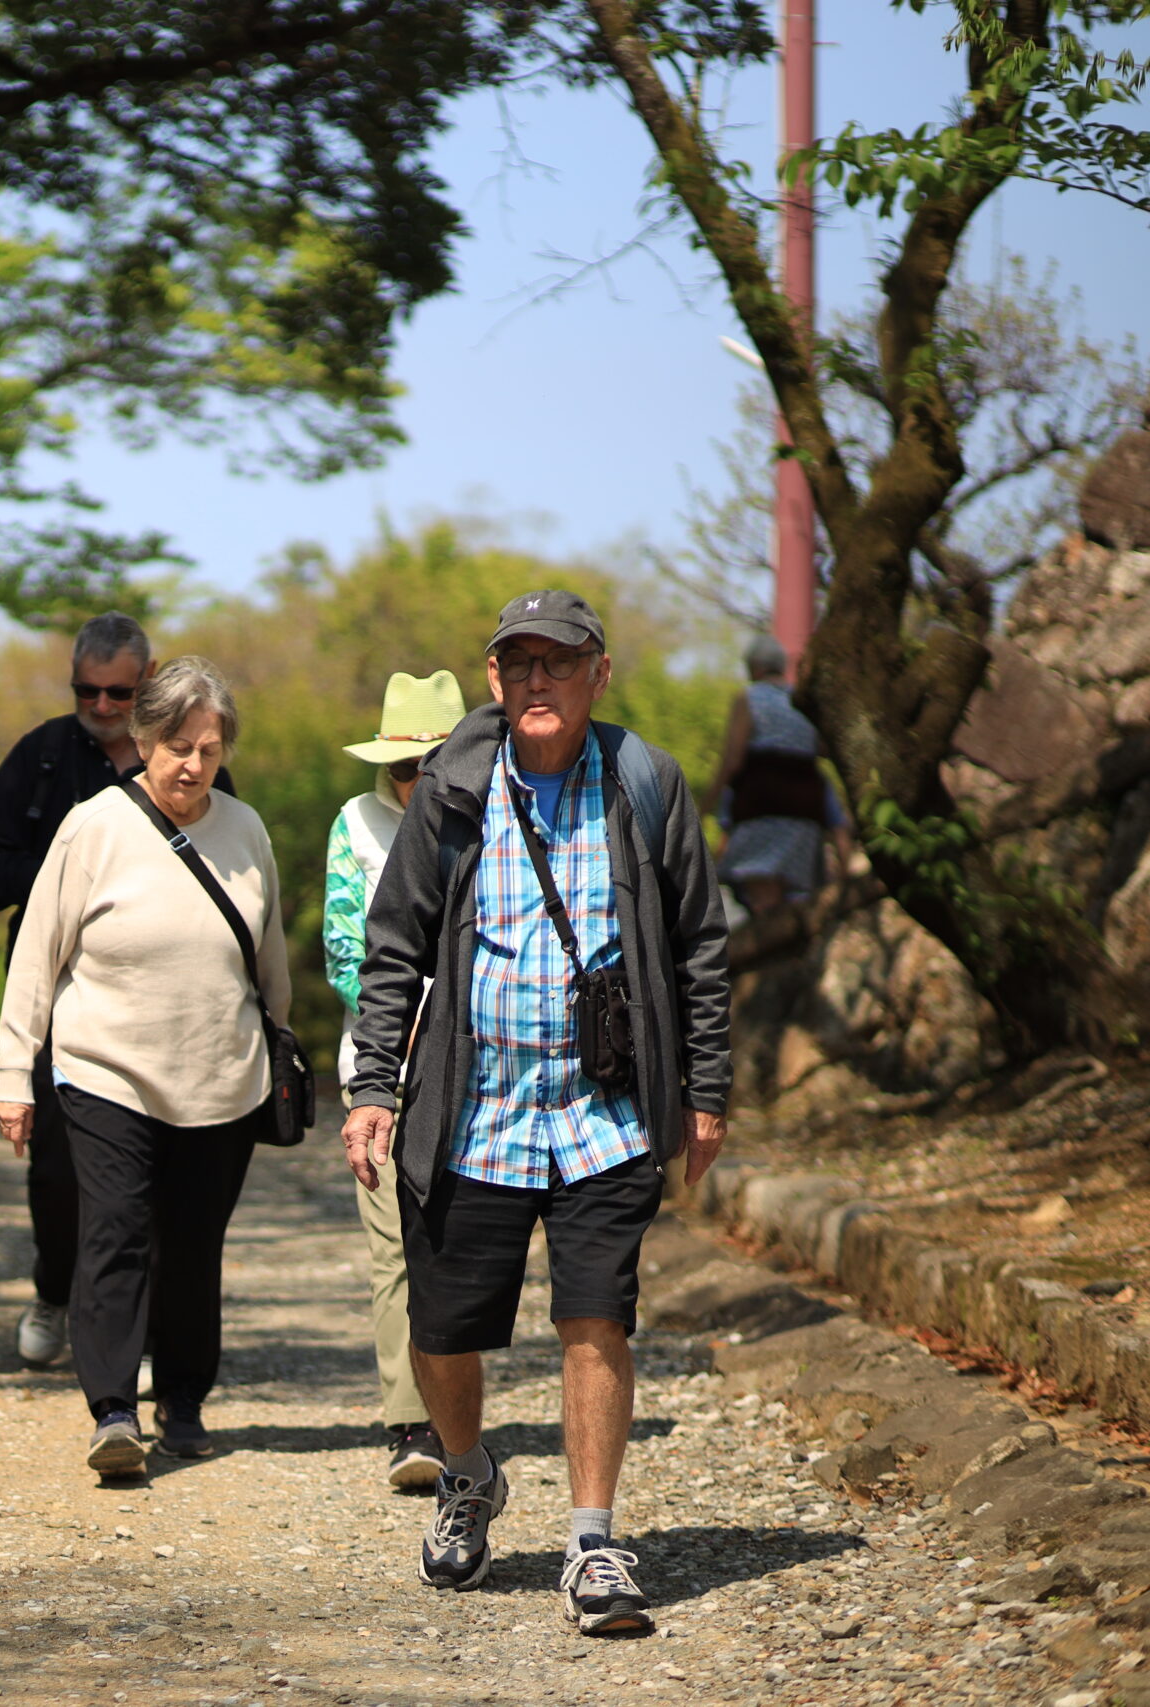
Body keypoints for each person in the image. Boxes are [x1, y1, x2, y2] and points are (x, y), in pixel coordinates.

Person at [340, 589, 730, 1636]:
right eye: (518, 666)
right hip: (474, 1112)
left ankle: (593, 1542)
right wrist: (375, 1086)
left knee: (594, 1318)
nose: (536, 682)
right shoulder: (454, 792)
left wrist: (705, 1090)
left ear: (597, 674)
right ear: (494, 679)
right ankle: (469, 1477)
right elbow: (394, 948)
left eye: (557, 663)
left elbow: (698, 944)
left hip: (603, 1111)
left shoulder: (643, 783)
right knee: (442, 1329)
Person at [0, 657, 287, 1474]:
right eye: (176, 744)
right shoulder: (93, 825)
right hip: (105, 1069)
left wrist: (282, 1049)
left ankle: (183, 1397)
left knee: (192, 1246)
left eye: (209, 747)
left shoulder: (246, 829)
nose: (191, 764)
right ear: (143, 739)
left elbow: (270, 964)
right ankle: (114, 1407)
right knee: (116, 1228)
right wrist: (15, 1072)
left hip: (221, 1075)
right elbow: (37, 954)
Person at [0, 613, 234, 1373]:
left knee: (147, 1186)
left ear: (146, 688)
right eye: (88, 689)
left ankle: (137, 1337)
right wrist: (62, 874)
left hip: (169, 1017)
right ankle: (53, 1288)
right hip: (64, 1009)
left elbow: (234, 876)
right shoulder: (43, 755)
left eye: (119, 692)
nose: (102, 705)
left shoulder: (199, 763)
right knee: (56, 1174)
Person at [323, 669, 466, 1492]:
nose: (417, 782)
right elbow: (347, 949)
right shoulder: (357, 823)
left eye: (434, 764)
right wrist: (404, 1026)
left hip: (480, 1068)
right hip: (379, 1069)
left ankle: (458, 1415)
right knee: (394, 1251)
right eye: (406, 767)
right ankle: (410, 1422)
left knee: (457, 1245)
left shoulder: (493, 817)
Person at [707, 635, 850, 920]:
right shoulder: (802, 701)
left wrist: (706, 803)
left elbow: (733, 759)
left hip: (761, 805)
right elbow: (822, 748)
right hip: (805, 810)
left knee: (759, 897)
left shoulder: (749, 698)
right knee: (789, 903)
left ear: (754, 669)